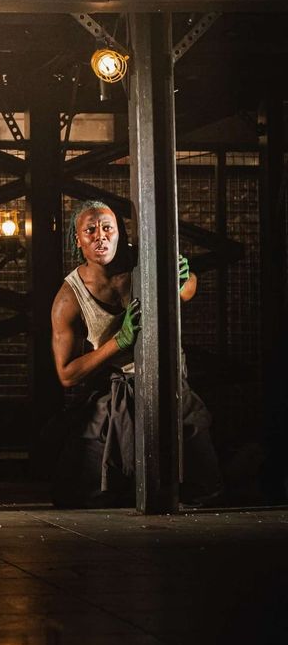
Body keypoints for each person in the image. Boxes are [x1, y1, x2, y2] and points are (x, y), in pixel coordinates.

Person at [49, 200, 221, 507]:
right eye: (90, 230)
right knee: (79, 493)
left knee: (205, 486)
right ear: (78, 239)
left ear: (118, 233)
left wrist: (185, 279)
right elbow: (66, 374)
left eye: (107, 228)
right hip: (115, 388)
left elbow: (186, 291)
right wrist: (119, 341)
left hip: (167, 378)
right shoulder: (69, 298)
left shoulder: (142, 259)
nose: (100, 236)